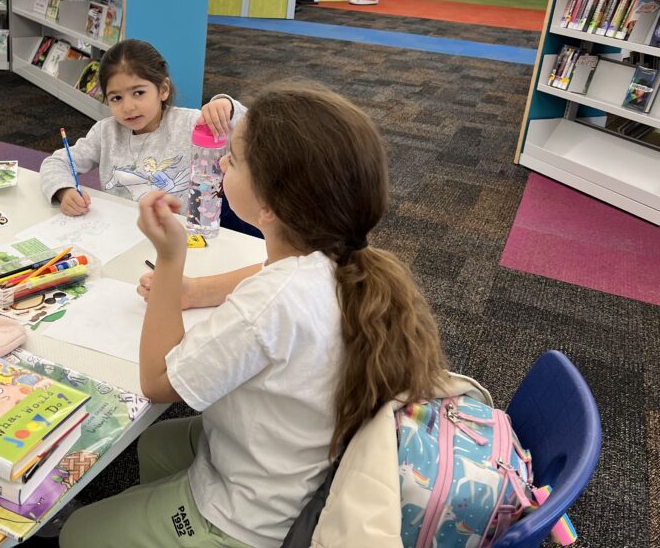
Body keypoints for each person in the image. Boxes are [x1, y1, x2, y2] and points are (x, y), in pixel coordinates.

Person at [59, 84, 449, 548]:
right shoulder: (340, 257)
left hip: (247, 520)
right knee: (156, 444)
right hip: (297, 457)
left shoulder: (269, 304)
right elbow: (270, 271)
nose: (221, 162)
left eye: (234, 159)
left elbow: (158, 381)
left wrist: (169, 262)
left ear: (269, 206)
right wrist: (193, 292)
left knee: (77, 533)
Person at [39, 40, 244, 216]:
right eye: (116, 98)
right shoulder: (105, 133)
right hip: (120, 234)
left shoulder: (192, 124)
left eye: (138, 93)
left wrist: (228, 107)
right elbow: (56, 162)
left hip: (180, 239)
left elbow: (255, 136)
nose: (128, 107)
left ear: (163, 89)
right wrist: (64, 191)